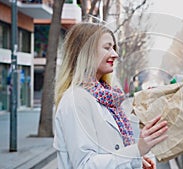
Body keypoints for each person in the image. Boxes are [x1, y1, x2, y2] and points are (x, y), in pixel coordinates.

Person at [53, 22, 168, 169]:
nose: (115, 54)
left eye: (113, 48)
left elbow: (112, 150)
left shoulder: (104, 97)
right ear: (86, 52)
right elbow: (84, 164)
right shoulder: (76, 100)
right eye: (107, 48)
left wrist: (136, 160)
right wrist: (137, 149)